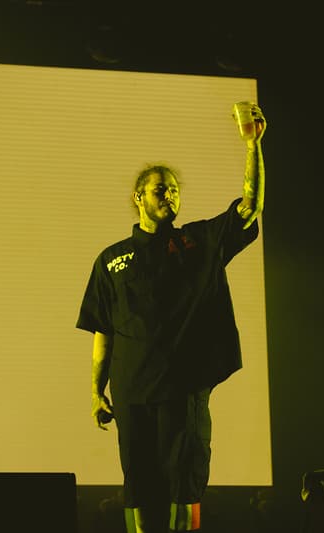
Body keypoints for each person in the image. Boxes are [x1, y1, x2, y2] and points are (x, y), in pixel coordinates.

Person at [76, 103, 266, 533]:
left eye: (175, 189)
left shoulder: (197, 242)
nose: (170, 195)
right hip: (131, 392)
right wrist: (95, 391)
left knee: (185, 483)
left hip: (183, 389)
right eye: (160, 189)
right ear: (138, 198)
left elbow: (250, 207)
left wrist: (252, 145)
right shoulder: (111, 260)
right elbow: (102, 330)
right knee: (138, 485)